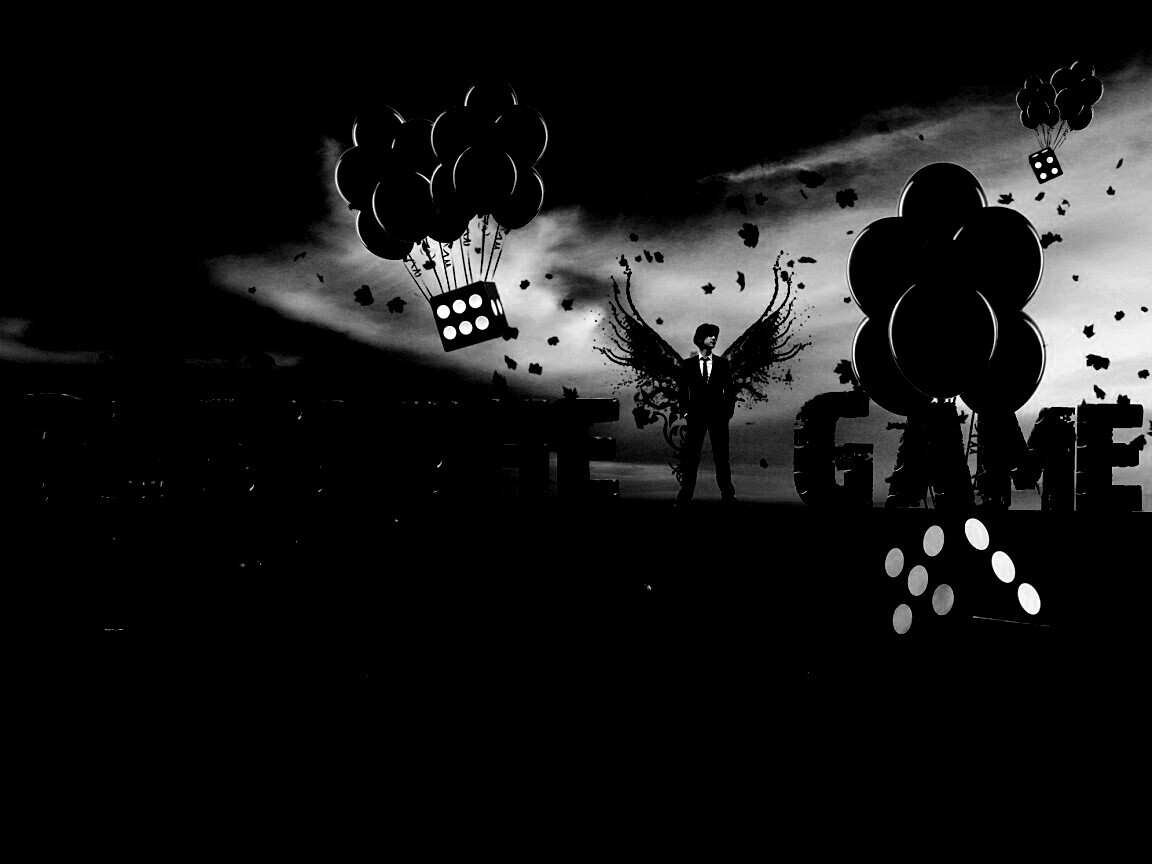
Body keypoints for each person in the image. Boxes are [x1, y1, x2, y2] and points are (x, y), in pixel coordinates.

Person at [675, 323, 737, 507]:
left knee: (722, 460)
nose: (714, 338)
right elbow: (682, 391)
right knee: (691, 460)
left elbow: (730, 390)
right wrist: (686, 412)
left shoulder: (723, 364)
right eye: (710, 335)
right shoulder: (688, 365)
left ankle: (728, 497)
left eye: (715, 335)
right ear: (700, 338)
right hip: (696, 418)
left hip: (718, 418)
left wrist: (727, 413)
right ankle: (684, 498)